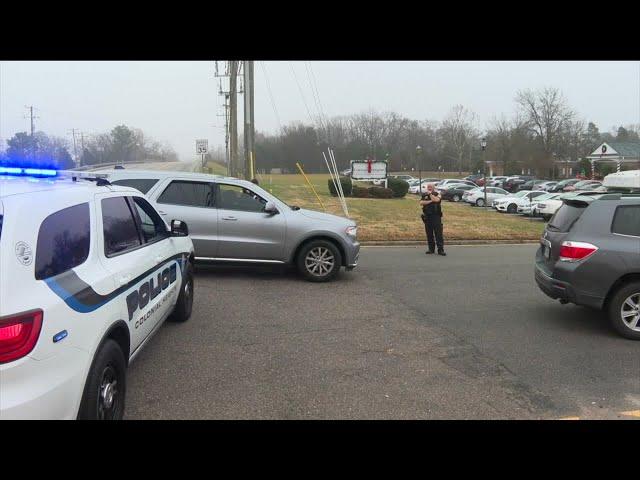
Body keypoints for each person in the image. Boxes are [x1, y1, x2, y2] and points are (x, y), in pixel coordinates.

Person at [420, 183, 446, 256]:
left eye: (431, 187)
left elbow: (437, 200)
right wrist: (430, 201)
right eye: (428, 187)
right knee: (429, 234)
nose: (429, 188)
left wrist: (431, 195)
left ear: (434, 188)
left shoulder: (437, 194)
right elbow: (421, 202)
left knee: (438, 234)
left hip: (436, 217)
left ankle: (440, 250)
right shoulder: (424, 195)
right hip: (427, 217)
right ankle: (431, 249)